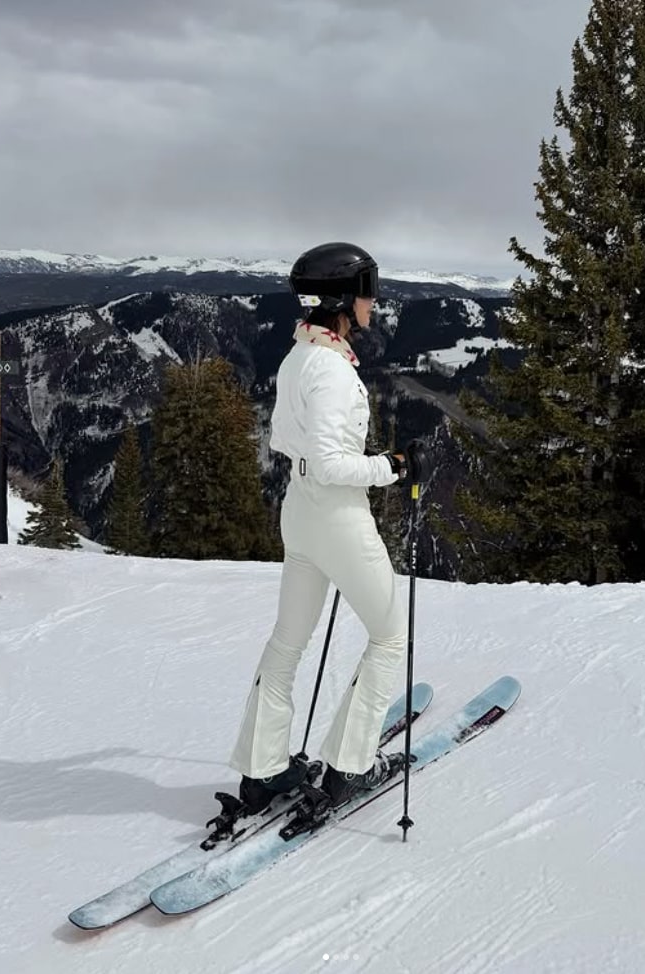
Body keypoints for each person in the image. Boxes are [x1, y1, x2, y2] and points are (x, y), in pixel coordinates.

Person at [229, 241, 425, 813]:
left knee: (288, 641)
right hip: (337, 515)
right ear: (343, 299)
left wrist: (350, 465)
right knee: (389, 636)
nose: (374, 301)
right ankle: (348, 768)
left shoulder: (298, 357)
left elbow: (285, 444)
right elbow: (335, 464)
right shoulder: (333, 371)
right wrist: (393, 466)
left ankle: (262, 771)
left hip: (300, 511)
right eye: (367, 289)